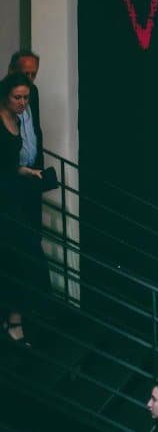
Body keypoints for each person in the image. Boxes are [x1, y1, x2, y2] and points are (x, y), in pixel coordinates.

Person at [0, 73, 50, 344]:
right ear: (6, 95)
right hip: (2, 200)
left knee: (22, 256)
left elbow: (9, 165)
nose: (22, 102)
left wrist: (28, 172)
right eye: (17, 97)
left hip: (13, 195)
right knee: (16, 257)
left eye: (26, 97)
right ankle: (13, 322)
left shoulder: (18, 120)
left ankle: (15, 320)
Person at [6, 51, 42, 169]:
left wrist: (39, 165)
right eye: (26, 74)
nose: (30, 79)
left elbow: (36, 128)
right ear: (12, 71)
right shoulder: (2, 96)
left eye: (34, 74)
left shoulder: (33, 91)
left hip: (33, 168)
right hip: (12, 171)